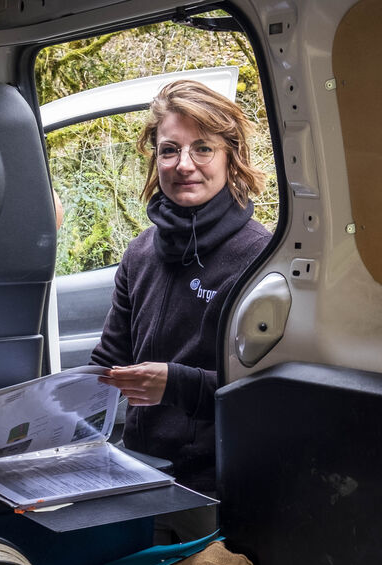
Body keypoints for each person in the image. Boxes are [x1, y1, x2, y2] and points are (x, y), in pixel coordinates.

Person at [91, 79, 269, 540]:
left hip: (214, 487)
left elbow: (267, 394)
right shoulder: (140, 252)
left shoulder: (260, 258)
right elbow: (108, 361)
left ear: (231, 156)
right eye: (169, 150)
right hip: (137, 470)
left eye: (203, 148)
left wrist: (176, 384)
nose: (184, 164)